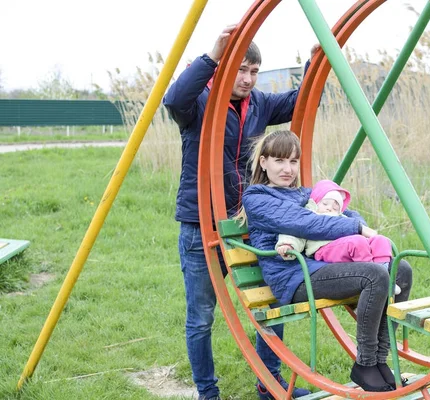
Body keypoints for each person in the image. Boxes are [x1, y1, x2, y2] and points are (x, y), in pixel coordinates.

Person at [163, 25, 316, 400]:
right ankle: (207, 393)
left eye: (253, 72)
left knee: (269, 303)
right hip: (201, 225)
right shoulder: (198, 103)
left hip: (247, 225)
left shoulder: (259, 104)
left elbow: (301, 100)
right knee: (201, 316)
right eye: (240, 70)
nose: (247, 79)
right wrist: (213, 55)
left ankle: (270, 385)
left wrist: (316, 63)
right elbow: (172, 99)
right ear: (223, 70)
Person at [240, 130, 413, 392]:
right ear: (263, 162)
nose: (288, 169)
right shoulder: (257, 198)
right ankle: (364, 365)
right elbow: (303, 222)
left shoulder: (303, 194)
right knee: (374, 275)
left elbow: (347, 212)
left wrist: (356, 226)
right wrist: (356, 228)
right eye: (279, 161)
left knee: (401, 270)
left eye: (293, 162)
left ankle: (379, 360)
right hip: (294, 276)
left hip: (322, 266)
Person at [275, 179, 402, 295]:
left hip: (347, 247)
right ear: (315, 202)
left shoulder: (342, 218)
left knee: (381, 240)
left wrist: (371, 243)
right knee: (357, 241)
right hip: (323, 249)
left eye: (335, 207)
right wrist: (287, 245)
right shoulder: (309, 215)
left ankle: (385, 275)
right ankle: (375, 277)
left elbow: (352, 228)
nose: (330, 208)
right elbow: (294, 231)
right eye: (325, 204)